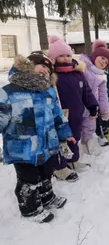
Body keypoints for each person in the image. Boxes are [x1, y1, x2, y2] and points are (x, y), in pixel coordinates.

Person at [0, 52, 75, 223]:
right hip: (22, 149)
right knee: (29, 179)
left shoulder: (48, 92)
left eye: (49, 70)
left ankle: (47, 197)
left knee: (46, 173)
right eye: (42, 66)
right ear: (28, 65)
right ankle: (30, 208)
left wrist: (66, 134)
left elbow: (58, 116)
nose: (46, 71)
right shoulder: (8, 92)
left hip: (46, 144)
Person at [48, 36, 98, 179]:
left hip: (76, 114)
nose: (66, 59)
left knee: (74, 137)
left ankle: (73, 160)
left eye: (68, 55)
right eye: (61, 56)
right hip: (59, 116)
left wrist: (93, 105)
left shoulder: (78, 73)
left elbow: (86, 92)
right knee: (61, 140)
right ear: (54, 58)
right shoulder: (52, 76)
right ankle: (60, 167)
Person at [80, 40, 109, 151]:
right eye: (102, 58)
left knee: (90, 126)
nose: (103, 62)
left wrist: (105, 110)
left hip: (92, 107)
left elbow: (103, 95)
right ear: (95, 56)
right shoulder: (83, 67)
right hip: (79, 103)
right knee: (77, 126)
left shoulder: (102, 76)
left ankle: (87, 145)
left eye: (106, 63)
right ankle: (78, 147)